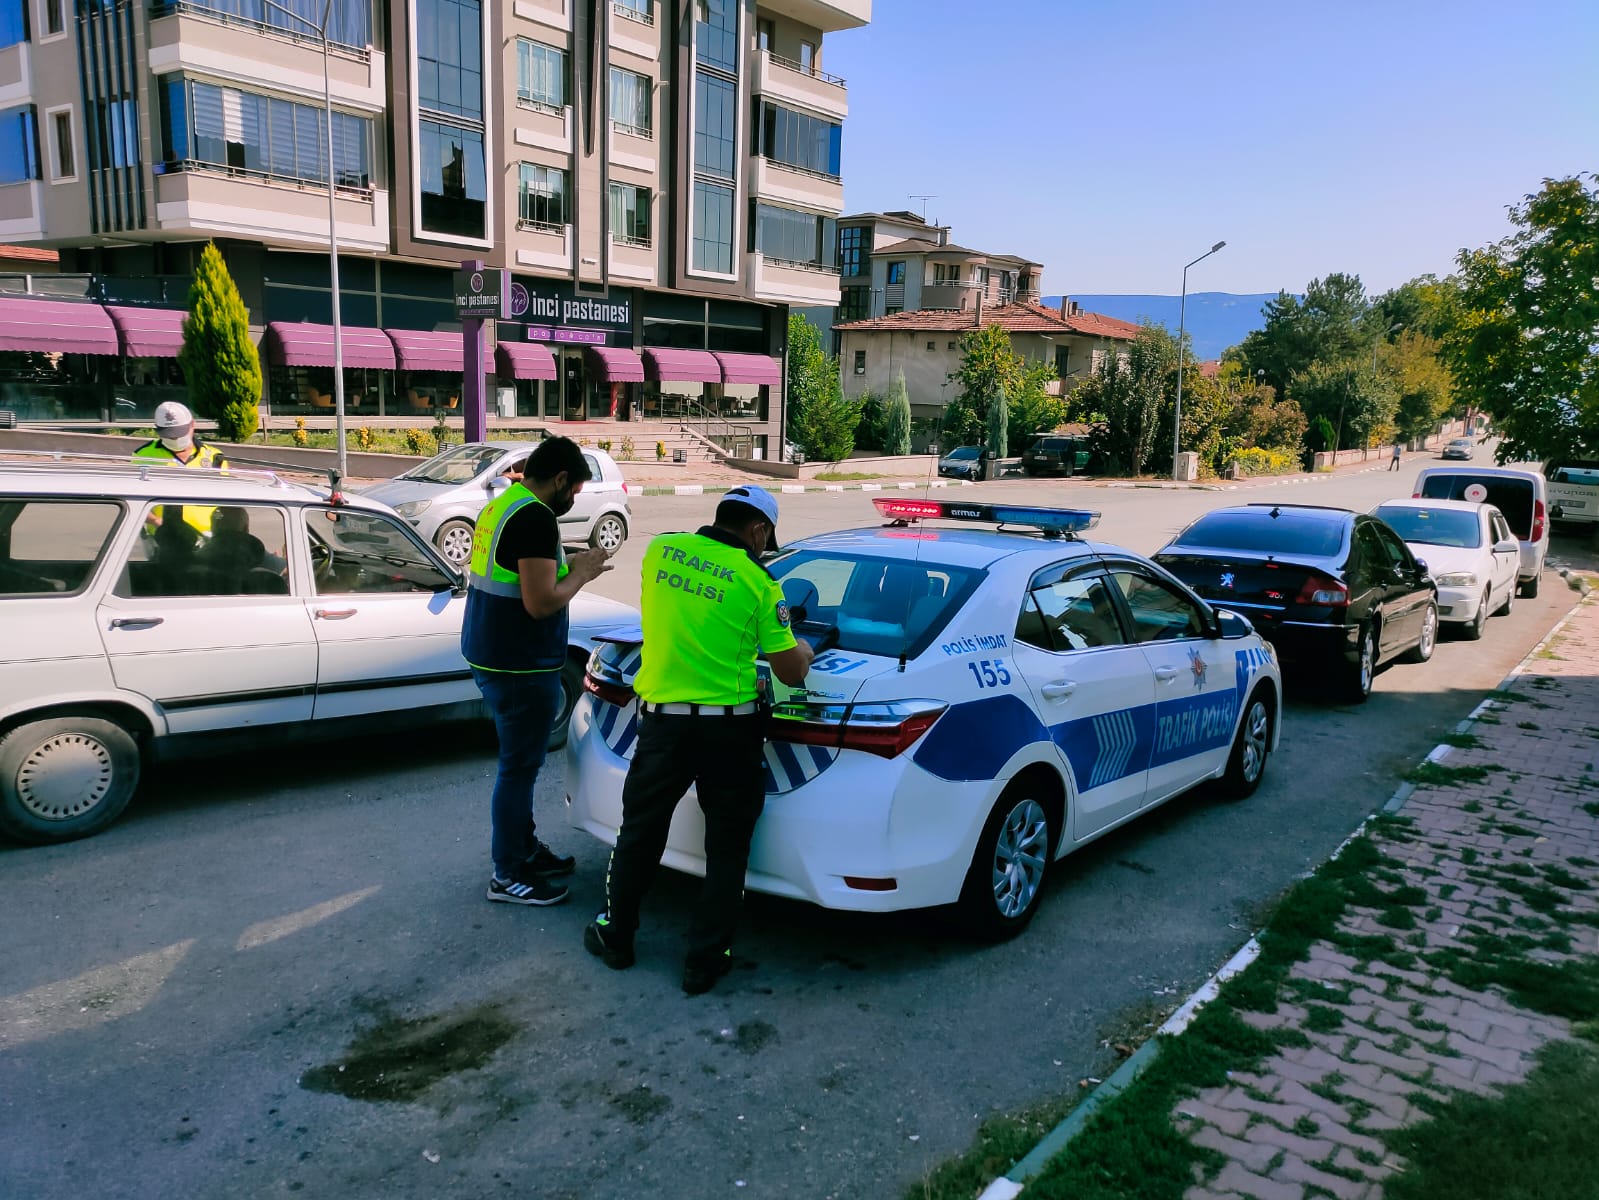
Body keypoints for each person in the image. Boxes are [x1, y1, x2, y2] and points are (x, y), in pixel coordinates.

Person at [583, 486, 814, 995]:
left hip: (663, 725)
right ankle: (705, 962)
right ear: (758, 530)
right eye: (766, 539)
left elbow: (685, 618)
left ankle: (615, 936)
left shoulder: (660, 550)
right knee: (727, 847)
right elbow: (792, 672)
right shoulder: (759, 584)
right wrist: (802, 642)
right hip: (729, 732)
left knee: (639, 832)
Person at [462, 437, 611, 906]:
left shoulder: (506, 503)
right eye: (576, 489)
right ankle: (507, 874)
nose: (575, 500)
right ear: (562, 479)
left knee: (519, 766)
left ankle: (523, 849)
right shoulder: (535, 518)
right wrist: (582, 571)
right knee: (518, 769)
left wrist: (567, 564)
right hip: (518, 662)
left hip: (493, 650)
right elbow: (541, 601)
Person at [134, 402, 227, 535]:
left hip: (207, 538)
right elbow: (134, 499)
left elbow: (227, 504)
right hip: (164, 537)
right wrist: (155, 521)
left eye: (180, 433)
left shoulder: (214, 457)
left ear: (192, 425)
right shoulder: (144, 456)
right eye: (170, 435)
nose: (175, 438)